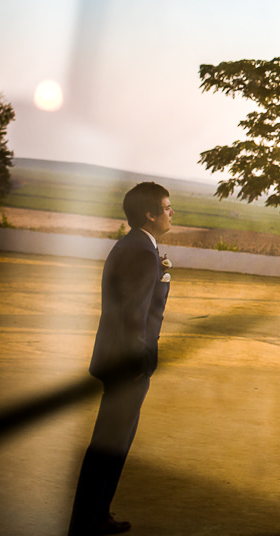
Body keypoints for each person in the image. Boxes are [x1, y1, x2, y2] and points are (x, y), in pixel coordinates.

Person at [68, 182, 174, 536]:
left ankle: (95, 514)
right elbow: (134, 316)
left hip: (116, 360)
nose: (172, 212)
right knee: (110, 445)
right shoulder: (142, 252)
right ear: (150, 214)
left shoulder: (135, 245)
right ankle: (89, 519)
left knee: (112, 444)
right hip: (125, 366)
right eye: (167, 207)